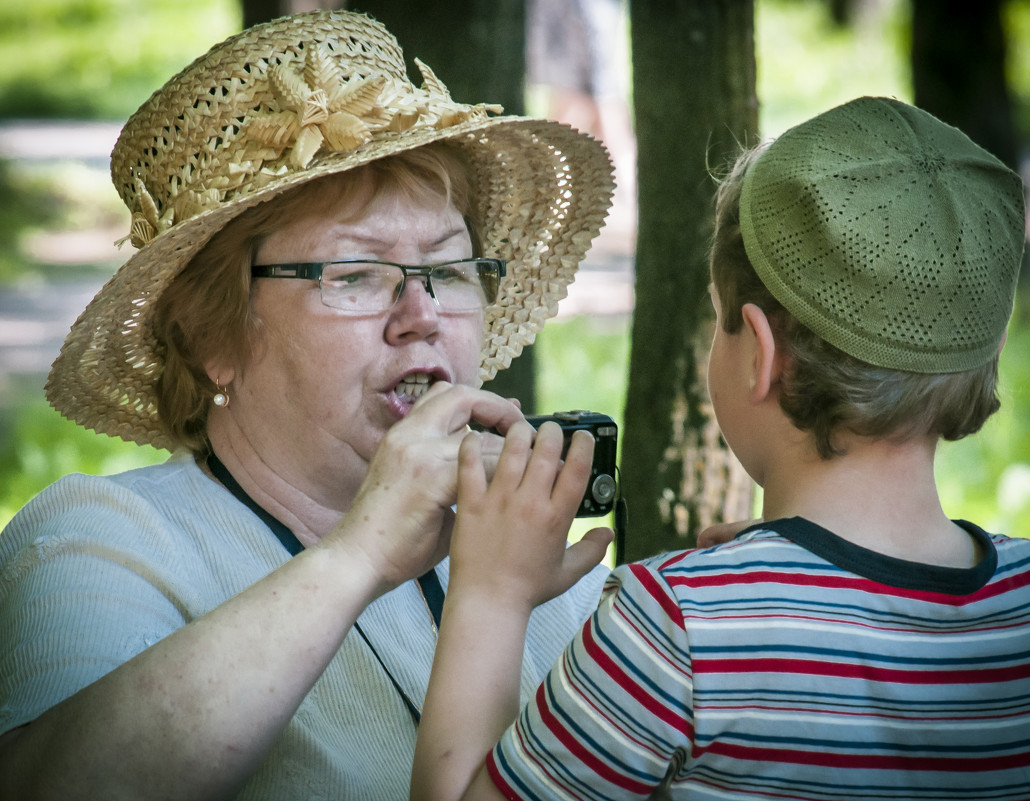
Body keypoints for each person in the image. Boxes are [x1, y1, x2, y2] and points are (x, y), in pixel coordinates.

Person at [0, 10, 615, 800]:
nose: (421, 312)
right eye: (355, 275)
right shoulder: (98, 539)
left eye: (450, 269)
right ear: (209, 335)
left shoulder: (524, 549)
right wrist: (361, 554)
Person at [411, 96, 1030, 800]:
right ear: (983, 356)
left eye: (719, 321)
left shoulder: (677, 630)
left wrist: (493, 593)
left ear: (760, 357)